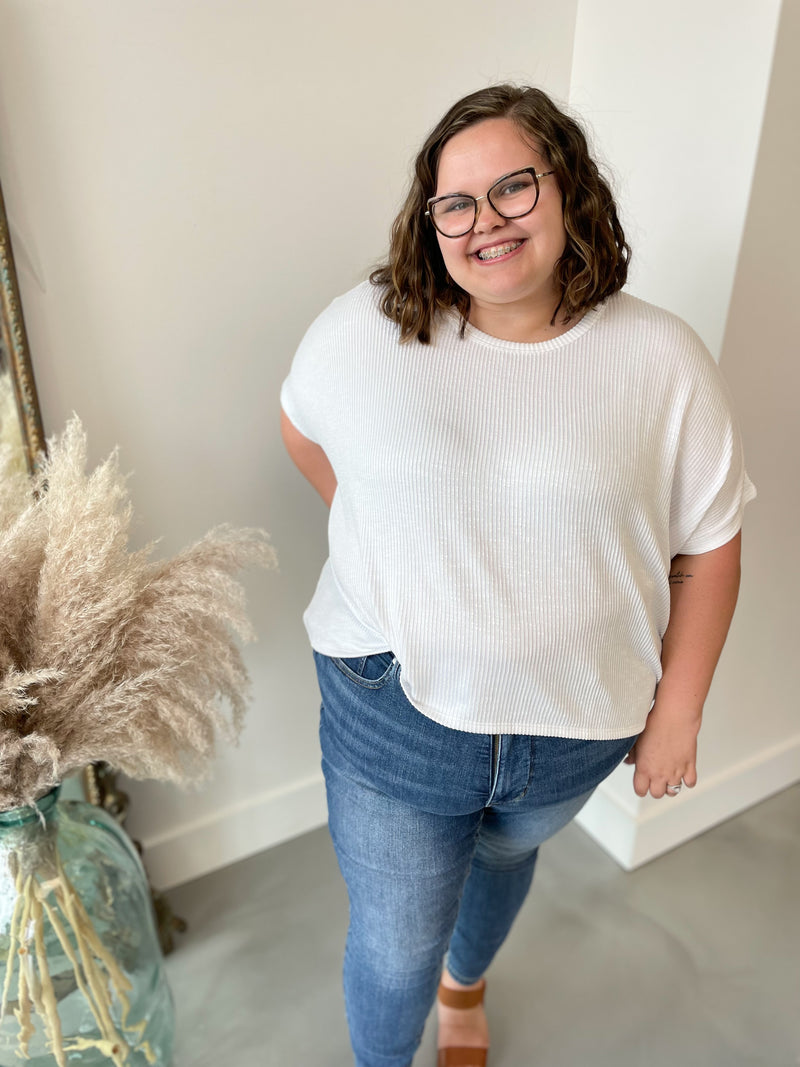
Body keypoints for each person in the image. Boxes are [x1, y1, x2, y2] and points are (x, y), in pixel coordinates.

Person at [280, 85, 755, 1067]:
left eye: (512, 188)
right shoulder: (366, 329)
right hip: (391, 708)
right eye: (453, 203)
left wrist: (677, 711)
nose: (482, 220)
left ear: (570, 191)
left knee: (503, 855)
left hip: (575, 720)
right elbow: (301, 429)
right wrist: (383, 533)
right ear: (428, 222)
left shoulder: (658, 357)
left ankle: (470, 987)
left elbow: (707, 542)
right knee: (394, 940)